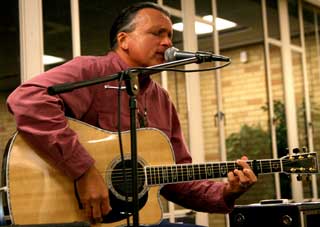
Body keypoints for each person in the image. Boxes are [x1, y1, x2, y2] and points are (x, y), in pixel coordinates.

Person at [7, 2, 257, 227]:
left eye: (170, 36)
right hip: (76, 216)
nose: (168, 43)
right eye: (157, 33)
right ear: (124, 39)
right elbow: (27, 99)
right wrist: (83, 171)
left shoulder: (162, 99)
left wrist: (227, 192)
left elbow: (177, 175)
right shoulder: (92, 71)